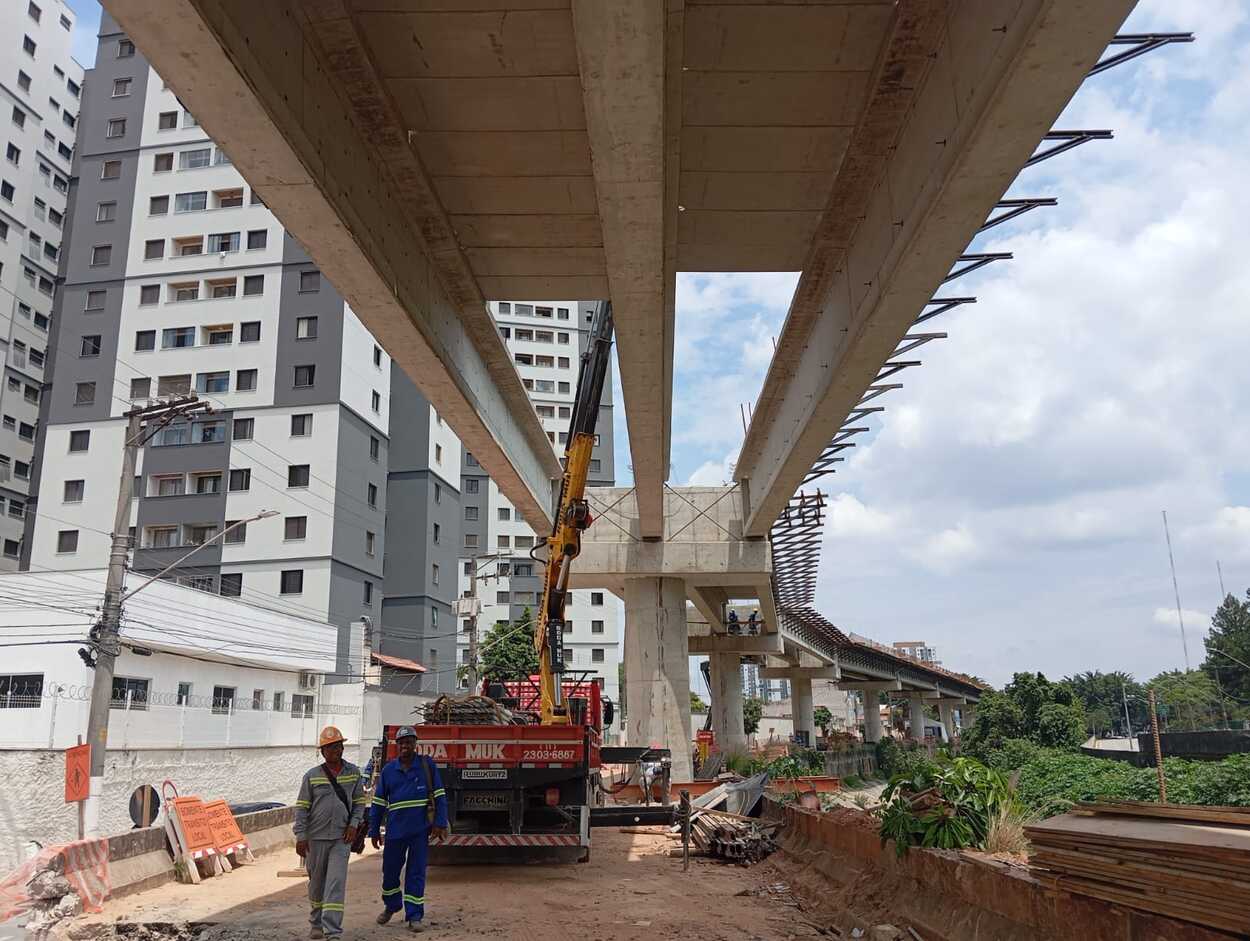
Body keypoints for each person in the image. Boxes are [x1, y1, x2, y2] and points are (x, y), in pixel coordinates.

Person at [370, 726, 449, 932]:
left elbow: (440, 796)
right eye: (402, 742)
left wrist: (439, 822)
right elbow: (378, 803)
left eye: (409, 742)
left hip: (419, 831)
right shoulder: (388, 771)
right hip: (395, 832)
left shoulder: (426, 766)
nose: (405, 745)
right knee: (389, 873)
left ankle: (414, 915)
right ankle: (392, 904)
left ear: (415, 744)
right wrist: (374, 829)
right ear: (397, 745)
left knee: (416, 874)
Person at [294, 726, 367, 939]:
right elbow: (301, 808)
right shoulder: (312, 776)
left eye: (339, 746)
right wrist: (300, 836)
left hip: (341, 839)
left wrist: (354, 824)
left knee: (335, 883)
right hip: (315, 839)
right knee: (316, 884)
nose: (337, 750)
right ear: (323, 751)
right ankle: (316, 922)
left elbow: (360, 803)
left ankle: (332, 930)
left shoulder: (353, 773)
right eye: (332, 747)